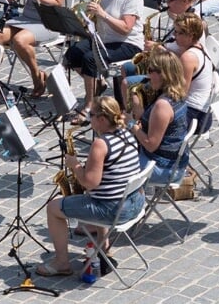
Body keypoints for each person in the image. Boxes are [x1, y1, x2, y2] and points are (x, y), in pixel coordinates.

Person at [36, 96, 144, 277]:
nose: (88, 118)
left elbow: (90, 183)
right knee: (99, 194)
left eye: (91, 115)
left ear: (102, 119)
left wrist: (75, 165)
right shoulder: (128, 133)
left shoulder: (101, 144)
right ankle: (105, 247)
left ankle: (62, 263)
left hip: (114, 211)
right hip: (135, 203)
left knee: (53, 208)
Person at [64, 0, 144, 124]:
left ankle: (89, 105)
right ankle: (95, 84)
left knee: (90, 59)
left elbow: (126, 28)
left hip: (127, 43)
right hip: (105, 38)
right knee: (73, 54)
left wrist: (103, 14)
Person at [117, 0, 199, 112]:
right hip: (167, 64)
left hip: (173, 73)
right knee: (128, 68)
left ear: (185, 1)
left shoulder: (192, 24)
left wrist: (159, 48)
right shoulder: (181, 17)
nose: (167, 3)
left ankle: (136, 117)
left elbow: (189, 56)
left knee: (128, 83)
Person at [130, 49, 190, 184]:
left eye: (151, 71)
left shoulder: (162, 105)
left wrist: (131, 125)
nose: (148, 75)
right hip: (174, 163)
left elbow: (150, 145)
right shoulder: (177, 94)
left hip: (162, 169)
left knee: (110, 166)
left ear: (163, 75)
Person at [173, 12, 219, 135]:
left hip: (194, 115)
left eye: (179, 33)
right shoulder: (200, 47)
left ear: (191, 36)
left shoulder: (188, 57)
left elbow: (181, 93)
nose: (175, 36)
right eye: (175, 32)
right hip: (200, 112)